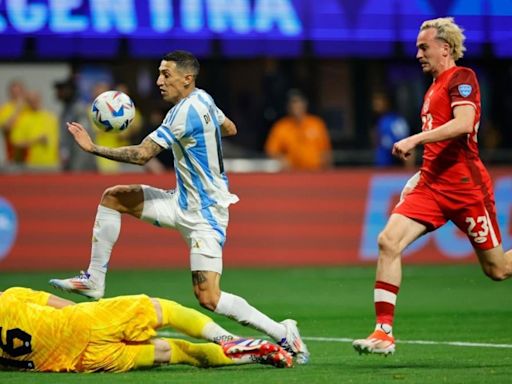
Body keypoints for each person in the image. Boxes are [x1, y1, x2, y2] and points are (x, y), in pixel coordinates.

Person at [49, 50, 310, 364]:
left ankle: (283, 332)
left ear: (187, 79)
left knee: (209, 298)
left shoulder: (183, 113)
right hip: (178, 201)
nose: (159, 81)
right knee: (114, 196)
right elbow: (231, 128)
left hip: (206, 214)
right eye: (159, 73)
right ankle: (94, 279)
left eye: (166, 75)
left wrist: (93, 148)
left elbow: (144, 154)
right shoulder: (204, 99)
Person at [352, 17, 512, 356]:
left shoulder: (462, 78)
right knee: (388, 240)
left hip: (467, 188)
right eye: (417, 48)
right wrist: (418, 176)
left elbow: (464, 124)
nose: (418, 54)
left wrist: (415, 138)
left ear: (446, 48)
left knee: (497, 270)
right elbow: (441, 146)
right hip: (433, 186)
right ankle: (383, 332)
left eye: (424, 47)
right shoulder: (433, 88)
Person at [0, 286, 291, 372]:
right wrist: (106, 312)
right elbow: (62, 305)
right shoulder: (9, 297)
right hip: (84, 323)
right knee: (165, 310)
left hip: (84, 362)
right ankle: (227, 340)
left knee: (176, 353)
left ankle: (258, 356)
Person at [264, 89, 332, 170]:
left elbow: (326, 151)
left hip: (315, 171)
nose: (296, 107)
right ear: (288, 107)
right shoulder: (281, 126)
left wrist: (328, 170)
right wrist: (281, 159)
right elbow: (271, 150)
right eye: (293, 103)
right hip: (292, 173)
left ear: (305, 104)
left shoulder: (316, 123)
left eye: (298, 103)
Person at [9, 91, 60, 172]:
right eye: (30, 100)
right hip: (30, 165)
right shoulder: (22, 119)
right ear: (27, 102)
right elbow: (16, 143)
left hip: (52, 164)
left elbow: (58, 141)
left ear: (40, 99)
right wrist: (36, 140)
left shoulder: (51, 117)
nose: (34, 102)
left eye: (36, 99)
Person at [54, 77, 96, 172]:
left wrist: (76, 170)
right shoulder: (66, 110)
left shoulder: (78, 109)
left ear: (70, 91)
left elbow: (83, 138)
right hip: (70, 164)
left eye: (61, 89)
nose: (58, 92)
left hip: (81, 168)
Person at [371, 90, 413, 169]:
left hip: (394, 170)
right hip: (380, 168)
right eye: (375, 101)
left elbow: (409, 148)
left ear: (387, 102)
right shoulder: (379, 121)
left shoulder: (396, 121)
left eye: (379, 100)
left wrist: (409, 170)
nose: (376, 104)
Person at [0, 79, 28, 168]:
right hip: (12, 154)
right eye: (14, 92)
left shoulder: (29, 107)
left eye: (19, 92)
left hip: (30, 155)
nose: (17, 95)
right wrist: (18, 109)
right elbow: (6, 128)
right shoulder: (5, 109)